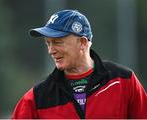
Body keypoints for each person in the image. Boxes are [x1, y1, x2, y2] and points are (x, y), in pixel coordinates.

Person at [11, 9, 147, 119]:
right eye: (48, 43)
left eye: (57, 42)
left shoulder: (123, 81)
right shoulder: (37, 98)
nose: (51, 50)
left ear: (82, 42)